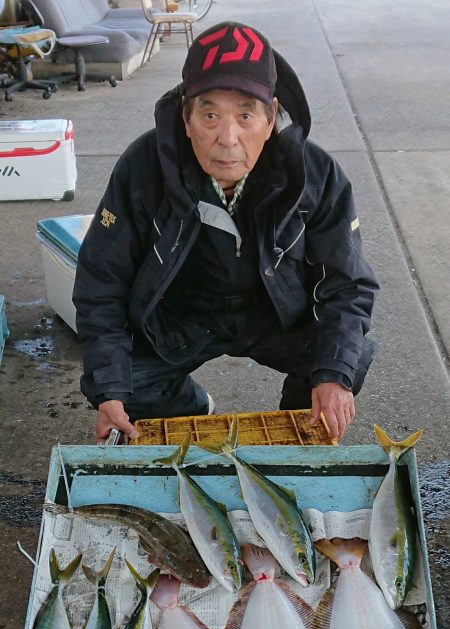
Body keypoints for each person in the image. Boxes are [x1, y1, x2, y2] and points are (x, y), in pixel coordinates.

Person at [73, 21, 379, 443]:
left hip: (275, 313)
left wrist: (334, 375)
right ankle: (189, 408)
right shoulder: (141, 168)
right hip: (180, 316)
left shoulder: (317, 174)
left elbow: (348, 285)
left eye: (246, 115)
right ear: (186, 117)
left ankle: (298, 422)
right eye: (210, 114)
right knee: (120, 386)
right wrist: (109, 388)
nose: (228, 138)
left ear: (271, 118)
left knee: (350, 355)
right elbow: (100, 282)